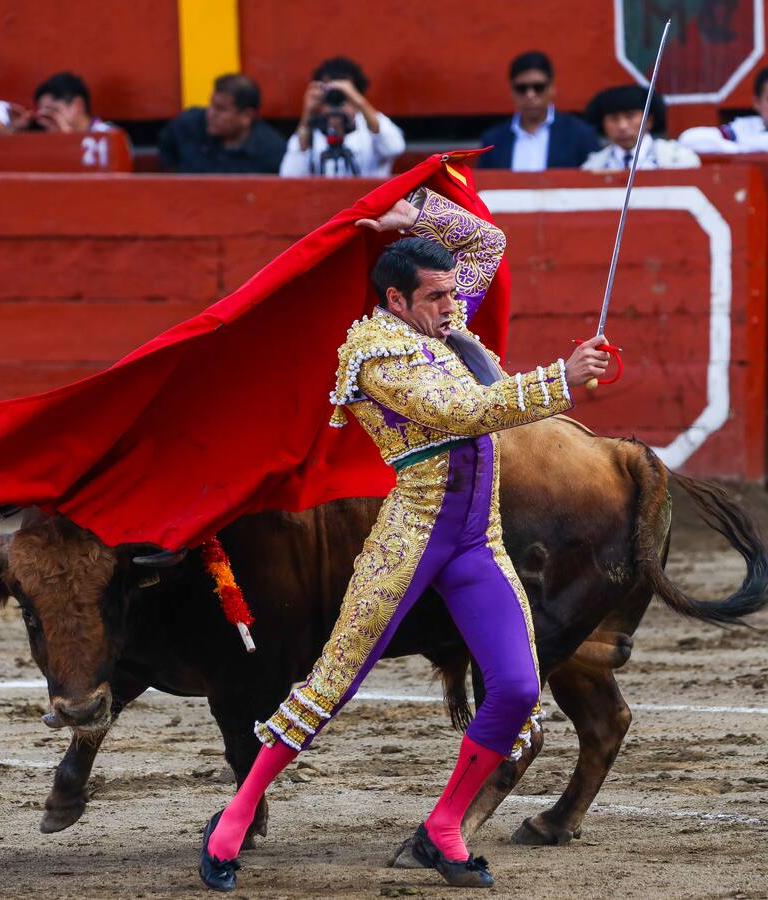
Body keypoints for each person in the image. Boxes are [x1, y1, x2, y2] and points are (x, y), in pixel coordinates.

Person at [198, 188, 612, 891]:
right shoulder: (375, 355)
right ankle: (235, 817)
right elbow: (461, 411)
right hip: (412, 538)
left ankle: (443, 827)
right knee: (331, 684)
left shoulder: (438, 323)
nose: (453, 305)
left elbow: (488, 244)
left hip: (476, 539)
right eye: (437, 297)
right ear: (396, 300)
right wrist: (560, 380)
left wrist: (413, 214)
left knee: (516, 688)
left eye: (453, 293)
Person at [279, 56, 405, 177]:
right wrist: (308, 113)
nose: (336, 104)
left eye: (344, 96)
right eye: (330, 97)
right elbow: (289, 175)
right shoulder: (311, 131)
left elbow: (394, 147)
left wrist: (361, 103)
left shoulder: (370, 125)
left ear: (356, 97)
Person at [477, 51, 600, 170]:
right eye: (521, 88)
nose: (530, 95)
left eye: (538, 87)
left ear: (552, 87)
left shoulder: (580, 134)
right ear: (512, 91)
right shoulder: (493, 141)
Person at [158, 73, 284, 173]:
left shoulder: (271, 152)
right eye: (211, 104)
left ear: (246, 116)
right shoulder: (188, 125)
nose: (211, 113)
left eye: (221, 109)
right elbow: (168, 152)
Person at [679, 65, 768, 154]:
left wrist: (731, 147)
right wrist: (738, 148)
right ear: (757, 102)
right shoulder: (745, 125)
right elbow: (688, 139)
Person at [581, 85, 700, 171]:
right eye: (614, 118)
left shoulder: (678, 159)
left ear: (649, 120)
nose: (622, 126)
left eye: (630, 116)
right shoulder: (593, 166)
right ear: (603, 124)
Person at [20, 71, 113, 133]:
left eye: (53, 110)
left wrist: (67, 138)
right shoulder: (48, 140)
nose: (46, 120)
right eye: (43, 114)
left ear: (78, 105)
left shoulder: (108, 135)